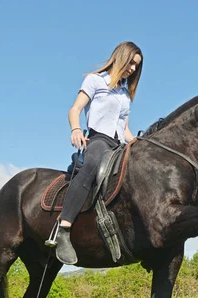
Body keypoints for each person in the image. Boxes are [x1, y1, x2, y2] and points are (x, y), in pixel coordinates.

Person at [54, 41, 143, 265]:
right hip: (98, 139)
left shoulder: (125, 94)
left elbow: (124, 129)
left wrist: (140, 144)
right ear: (120, 57)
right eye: (131, 63)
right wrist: (75, 129)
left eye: (136, 66)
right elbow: (74, 109)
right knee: (91, 166)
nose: (132, 69)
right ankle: (63, 229)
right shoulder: (95, 81)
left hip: (119, 145)